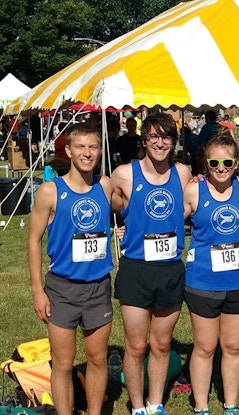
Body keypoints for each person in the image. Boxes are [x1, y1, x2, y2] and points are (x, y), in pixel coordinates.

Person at [28, 123, 113, 415]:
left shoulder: (106, 186)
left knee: (98, 358)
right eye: (80, 147)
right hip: (62, 289)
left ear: (100, 150)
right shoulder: (51, 191)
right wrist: (38, 291)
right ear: (68, 150)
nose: (87, 153)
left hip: (99, 287)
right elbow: (33, 240)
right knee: (63, 363)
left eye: (93, 147)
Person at [111, 112, 193, 415]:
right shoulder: (124, 174)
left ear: (173, 142)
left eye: (166, 137)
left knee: (161, 344)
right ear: (144, 140)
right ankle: (136, 407)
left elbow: (190, 206)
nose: (160, 142)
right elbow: (110, 203)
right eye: (154, 136)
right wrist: (122, 228)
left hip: (170, 268)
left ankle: (156, 403)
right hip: (136, 269)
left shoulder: (182, 173)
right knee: (135, 347)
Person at [184, 133, 239, 415]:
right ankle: (201, 406)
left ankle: (231, 404)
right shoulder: (193, 191)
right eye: (214, 162)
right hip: (202, 280)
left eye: (227, 162)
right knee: (205, 347)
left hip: (238, 280)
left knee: (234, 346)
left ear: (236, 162)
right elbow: (169, 222)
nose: (221, 167)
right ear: (205, 164)